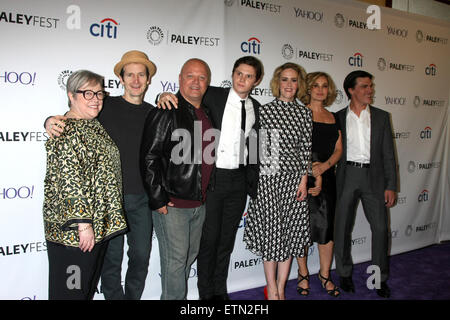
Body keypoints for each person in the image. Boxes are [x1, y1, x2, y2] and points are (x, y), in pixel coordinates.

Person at [44, 50, 157, 300]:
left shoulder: (151, 112)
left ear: (148, 80)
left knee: (138, 257)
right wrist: (48, 120)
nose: (136, 80)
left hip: (135, 200)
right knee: (104, 266)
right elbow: (68, 172)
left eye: (141, 75)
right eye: (130, 74)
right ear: (121, 78)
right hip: (98, 211)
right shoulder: (104, 108)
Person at [157, 56, 263, 300]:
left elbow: (256, 149)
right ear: (233, 74)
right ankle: (206, 294)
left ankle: (219, 290)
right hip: (213, 179)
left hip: (238, 182)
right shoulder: (213, 95)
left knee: (226, 242)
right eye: (238, 73)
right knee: (209, 241)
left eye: (248, 76)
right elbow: (184, 97)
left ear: (256, 81)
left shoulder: (257, 108)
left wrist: (255, 186)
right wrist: (162, 97)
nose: (242, 79)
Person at [43, 70, 127, 300]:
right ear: (71, 95)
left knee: (84, 290)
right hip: (75, 233)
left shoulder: (93, 125)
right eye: (87, 93)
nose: (96, 99)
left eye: (99, 93)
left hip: (96, 227)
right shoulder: (64, 128)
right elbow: (69, 178)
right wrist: (83, 224)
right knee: (71, 292)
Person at [141, 58, 214, 300]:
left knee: (186, 258)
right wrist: (157, 198)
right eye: (190, 76)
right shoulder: (166, 110)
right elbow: (149, 156)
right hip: (172, 205)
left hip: (198, 204)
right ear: (180, 79)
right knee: (175, 264)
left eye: (202, 77)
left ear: (208, 82)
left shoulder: (208, 113)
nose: (196, 82)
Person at [243, 62, 312, 300]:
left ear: (299, 84)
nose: (289, 85)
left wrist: (303, 181)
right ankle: (271, 288)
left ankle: (281, 287)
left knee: (289, 235)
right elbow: (257, 150)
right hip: (269, 182)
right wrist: (261, 183)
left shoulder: (304, 113)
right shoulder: (265, 111)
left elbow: (305, 149)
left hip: (294, 181)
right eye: (285, 79)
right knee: (272, 235)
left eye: (294, 80)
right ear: (277, 83)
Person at [334, 70, 397, 298]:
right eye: (364, 86)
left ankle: (379, 278)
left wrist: (391, 185)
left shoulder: (381, 116)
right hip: (346, 175)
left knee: (380, 229)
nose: (370, 90)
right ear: (351, 90)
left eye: (371, 86)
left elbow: (389, 155)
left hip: (375, 178)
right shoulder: (337, 117)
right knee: (341, 228)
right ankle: (344, 273)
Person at [295, 72, 342, 297]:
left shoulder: (334, 117)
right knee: (302, 229)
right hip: (302, 179)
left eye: (324, 86)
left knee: (326, 230)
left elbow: (339, 149)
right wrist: (312, 171)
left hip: (328, 179)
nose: (320, 90)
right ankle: (303, 274)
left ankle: (325, 275)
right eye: (315, 85)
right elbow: (293, 149)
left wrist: (324, 168)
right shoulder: (298, 113)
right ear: (308, 88)